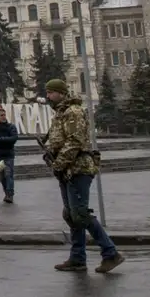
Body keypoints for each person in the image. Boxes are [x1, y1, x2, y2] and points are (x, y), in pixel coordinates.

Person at [44, 78, 123, 273]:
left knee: (80, 214)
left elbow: (75, 141)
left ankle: (111, 253)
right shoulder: (60, 113)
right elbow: (59, 140)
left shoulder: (73, 112)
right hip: (67, 170)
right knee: (71, 215)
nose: (48, 96)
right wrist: (51, 154)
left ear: (61, 93)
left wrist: (59, 164)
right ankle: (77, 258)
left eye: (51, 92)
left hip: (78, 169)